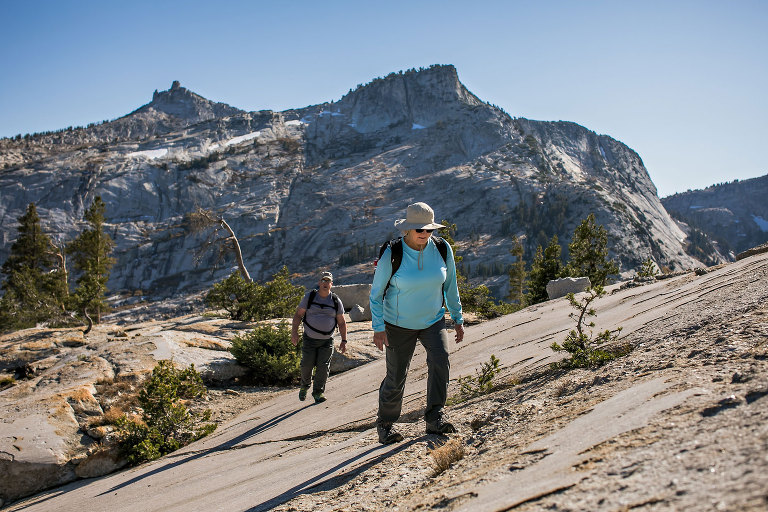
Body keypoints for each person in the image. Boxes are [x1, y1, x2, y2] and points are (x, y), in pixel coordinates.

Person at [370, 202, 465, 444]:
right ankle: (386, 424)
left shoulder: (443, 249)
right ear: (407, 230)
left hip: (433, 320)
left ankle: (435, 417)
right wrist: (378, 327)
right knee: (397, 375)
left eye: (429, 230)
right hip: (397, 324)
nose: (424, 234)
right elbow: (376, 292)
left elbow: (451, 285)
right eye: (419, 230)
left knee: (440, 361)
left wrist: (457, 317)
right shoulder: (393, 254)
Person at [291, 271, 347, 403]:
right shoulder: (309, 297)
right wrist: (294, 332)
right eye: (323, 280)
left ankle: (318, 393)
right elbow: (298, 315)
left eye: (328, 281)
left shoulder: (335, 300)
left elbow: (342, 322)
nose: (325, 283)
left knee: (323, 367)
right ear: (319, 283)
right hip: (309, 339)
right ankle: (304, 387)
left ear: (331, 284)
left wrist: (344, 340)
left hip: (327, 341)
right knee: (306, 365)